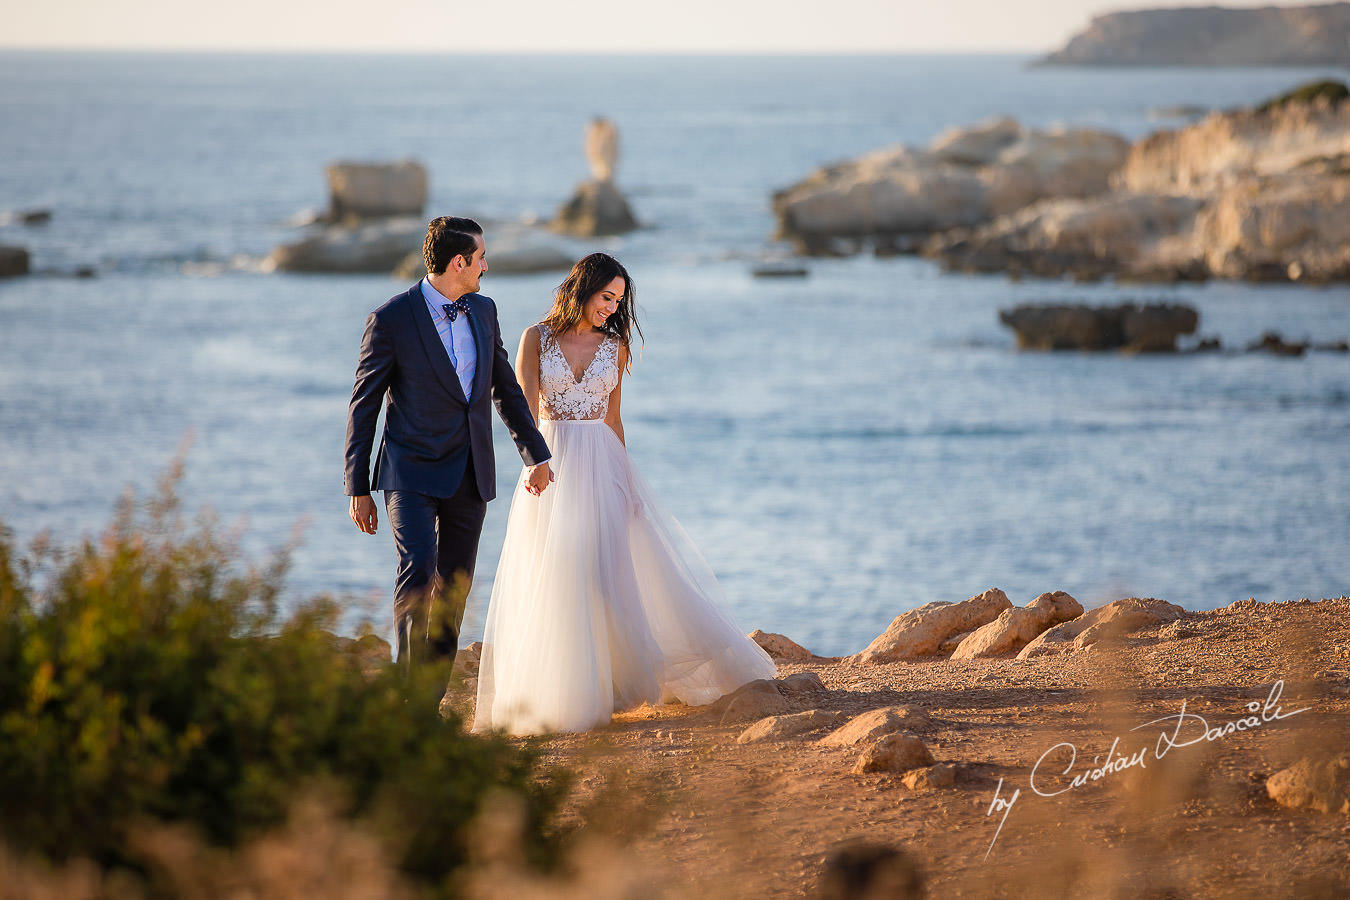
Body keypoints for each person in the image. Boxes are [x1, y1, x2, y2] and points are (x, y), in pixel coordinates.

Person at [472, 252, 776, 736]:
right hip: (548, 465)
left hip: (602, 465)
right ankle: (555, 695)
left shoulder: (616, 347)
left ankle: (607, 690)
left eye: (618, 300)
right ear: (583, 288)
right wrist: (533, 462)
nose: (612, 307)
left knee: (600, 573)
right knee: (553, 576)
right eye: (606, 296)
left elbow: (613, 419)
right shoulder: (537, 337)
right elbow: (522, 408)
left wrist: (629, 478)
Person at [344, 216, 554, 678]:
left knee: (454, 588)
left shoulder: (484, 311)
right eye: (480, 257)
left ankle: (427, 703)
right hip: (410, 472)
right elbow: (365, 405)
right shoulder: (391, 319)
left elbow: (504, 387)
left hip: (469, 475)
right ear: (458, 262)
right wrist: (357, 486)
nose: (486, 265)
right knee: (418, 570)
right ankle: (405, 686)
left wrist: (535, 453)